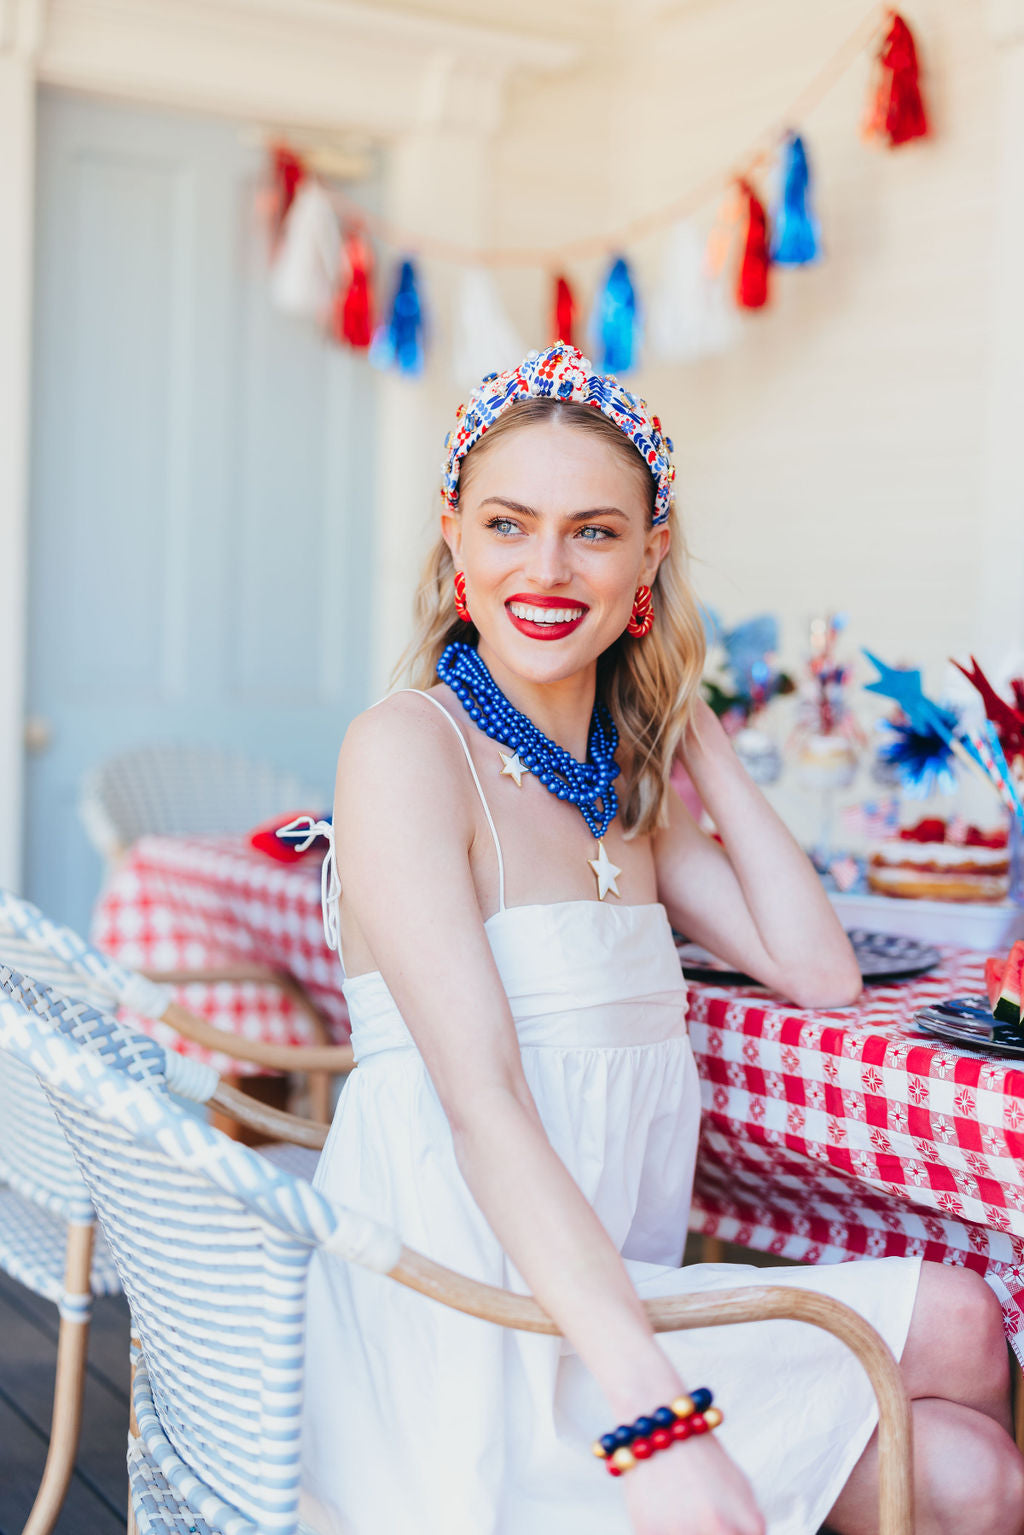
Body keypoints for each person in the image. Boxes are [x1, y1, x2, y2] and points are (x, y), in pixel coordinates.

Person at [300, 343, 1024, 1535]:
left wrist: (697, 737)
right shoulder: (404, 750)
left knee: (974, 1420)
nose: (545, 566)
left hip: (618, 1289)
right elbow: (482, 1105)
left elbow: (817, 968)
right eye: (506, 523)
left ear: (648, 556)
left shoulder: (616, 783)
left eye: (592, 530)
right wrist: (658, 1423)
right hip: (477, 1318)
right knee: (958, 1368)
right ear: (454, 540)